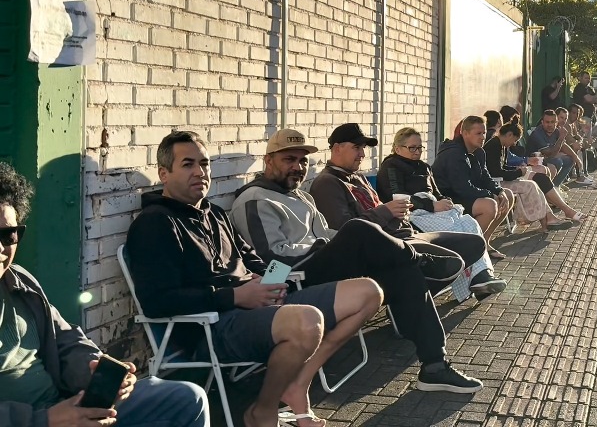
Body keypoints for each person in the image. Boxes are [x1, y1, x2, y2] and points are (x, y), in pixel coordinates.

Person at [126, 131, 382, 427]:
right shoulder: (155, 224)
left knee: (368, 291)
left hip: (259, 307)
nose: (200, 172)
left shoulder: (215, 215)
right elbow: (158, 301)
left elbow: (255, 260)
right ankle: (263, 411)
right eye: (187, 164)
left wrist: (272, 283)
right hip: (214, 325)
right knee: (307, 321)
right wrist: (235, 297)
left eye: (205, 163)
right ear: (164, 173)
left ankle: (298, 383)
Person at [230, 129, 482, 393]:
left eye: (302, 161)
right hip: (288, 277)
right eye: (289, 160)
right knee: (359, 229)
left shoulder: (301, 197)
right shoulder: (254, 200)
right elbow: (272, 260)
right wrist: (334, 245)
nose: (297, 167)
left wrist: (344, 245)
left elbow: (326, 233)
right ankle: (420, 259)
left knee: (403, 273)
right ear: (268, 161)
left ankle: (435, 366)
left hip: (322, 265)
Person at [0, 162, 210, 427]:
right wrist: (46, 419)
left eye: (8, 235)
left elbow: (64, 339)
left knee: (187, 398)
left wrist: (97, 371)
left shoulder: (19, 283)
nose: (1, 248)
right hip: (39, 420)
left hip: (68, 407)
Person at [308, 123, 508, 292]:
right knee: (452, 258)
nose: (362, 154)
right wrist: (393, 211)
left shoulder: (359, 177)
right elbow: (346, 229)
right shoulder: (328, 183)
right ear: (337, 148)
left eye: (419, 148)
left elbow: (389, 204)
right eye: (356, 148)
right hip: (393, 239)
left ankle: (476, 278)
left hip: (404, 231)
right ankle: (417, 289)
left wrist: (442, 202)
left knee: (473, 240)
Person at [431, 116, 516, 260]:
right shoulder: (453, 153)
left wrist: (499, 191)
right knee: (489, 206)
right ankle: (469, 249)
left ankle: (484, 242)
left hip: (465, 193)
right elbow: (461, 188)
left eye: (483, 133)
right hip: (448, 198)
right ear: (464, 133)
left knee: (507, 195)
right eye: (478, 133)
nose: (483, 137)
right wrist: (490, 195)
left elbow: (485, 178)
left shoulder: (479, 152)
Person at [483, 115, 586, 230]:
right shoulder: (495, 146)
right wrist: (519, 172)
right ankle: (551, 218)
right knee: (533, 184)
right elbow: (495, 171)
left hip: (502, 179)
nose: (513, 144)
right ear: (509, 135)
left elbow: (502, 167)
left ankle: (550, 218)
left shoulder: (501, 145)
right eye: (515, 140)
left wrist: (519, 170)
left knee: (539, 179)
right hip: (496, 183)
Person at [526, 110, 575, 187]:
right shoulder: (537, 133)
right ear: (542, 122)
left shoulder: (556, 131)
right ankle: (549, 188)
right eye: (547, 122)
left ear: (556, 123)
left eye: (552, 122)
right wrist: (561, 138)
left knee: (570, 160)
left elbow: (563, 146)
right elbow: (550, 154)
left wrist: (576, 158)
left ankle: (555, 186)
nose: (550, 125)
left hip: (546, 158)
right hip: (534, 160)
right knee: (557, 161)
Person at [555, 106, 594, 186]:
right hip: (554, 151)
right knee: (576, 149)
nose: (576, 116)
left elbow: (577, 137)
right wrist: (577, 143)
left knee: (580, 148)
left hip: (561, 148)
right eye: (573, 113)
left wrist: (582, 141)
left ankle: (583, 173)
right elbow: (569, 140)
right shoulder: (564, 125)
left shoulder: (572, 124)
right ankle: (580, 176)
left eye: (578, 114)